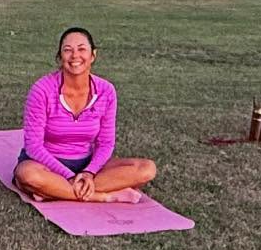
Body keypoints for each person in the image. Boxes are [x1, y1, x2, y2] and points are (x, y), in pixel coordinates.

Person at [13, 27, 157, 203]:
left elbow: (106, 143)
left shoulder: (106, 91)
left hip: (87, 164)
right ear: (59, 57)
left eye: (82, 49)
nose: (75, 56)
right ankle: (104, 196)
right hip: (46, 165)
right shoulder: (42, 90)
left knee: (146, 169)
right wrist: (68, 175)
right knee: (27, 175)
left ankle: (54, 191)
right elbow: (33, 146)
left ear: (93, 55)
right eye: (67, 50)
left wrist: (89, 172)